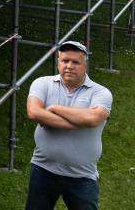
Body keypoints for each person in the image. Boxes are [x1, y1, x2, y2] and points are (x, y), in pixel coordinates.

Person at [24, 40, 111, 210]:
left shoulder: (100, 92)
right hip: (43, 169)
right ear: (58, 63)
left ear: (85, 66)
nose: (69, 66)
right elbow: (34, 112)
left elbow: (92, 120)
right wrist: (79, 120)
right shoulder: (42, 83)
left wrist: (54, 108)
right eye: (65, 61)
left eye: (76, 62)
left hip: (82, 175)